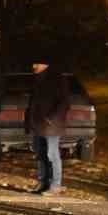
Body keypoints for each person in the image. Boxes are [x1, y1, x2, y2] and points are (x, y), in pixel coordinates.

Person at [24, 54, 71, 196]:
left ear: (45, 64)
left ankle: (55, 185)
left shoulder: (57, 79)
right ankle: (43, 182)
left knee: (52, 154)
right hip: (38, 123)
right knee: (40, 154)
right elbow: (32, 103)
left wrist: (52, 118)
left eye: (36, 64)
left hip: (51, 125)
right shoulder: (37, 80)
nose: (33, 67)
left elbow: (64, 102)